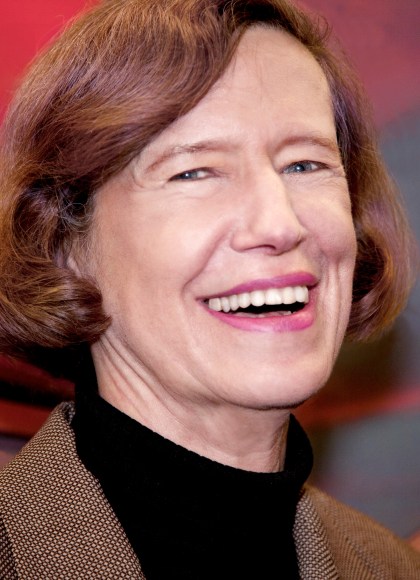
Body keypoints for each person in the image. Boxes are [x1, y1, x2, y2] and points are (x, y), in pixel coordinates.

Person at [0, 0, 419, 577]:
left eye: (304, 165)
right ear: (65, 238)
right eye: (194, 171)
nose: (280, 224)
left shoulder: (391, 567)